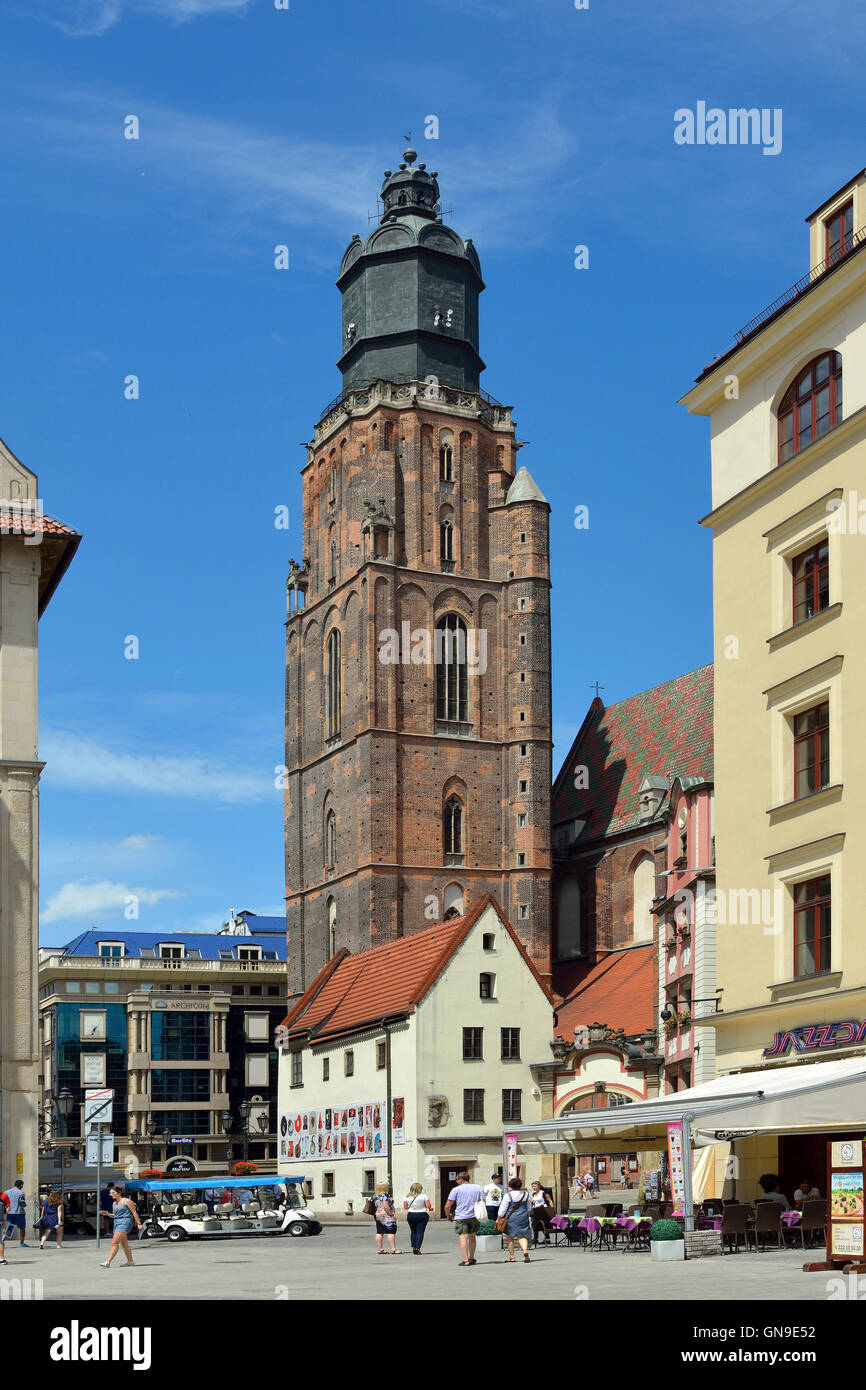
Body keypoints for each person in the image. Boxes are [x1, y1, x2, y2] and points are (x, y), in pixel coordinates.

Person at [444, 1170, 486, 1267]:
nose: (456, 1181)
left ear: (461, 1179)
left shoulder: (456, 1189)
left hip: (461, 1216)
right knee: (472, 1236)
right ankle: (471, 1257)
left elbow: (447, 1206)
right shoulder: (479, 1187)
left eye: (457, 1179)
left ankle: (466, 1260)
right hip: (475, 1216)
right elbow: (483, 1201)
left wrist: (448, 1215)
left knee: (463, 1237)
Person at [99, 1185, 142, 1267]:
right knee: (124, 1244)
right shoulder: (114, 1203)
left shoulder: (127, 1201)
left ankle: (108, 1262)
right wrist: (107, 1214)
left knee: (114, 1242)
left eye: (113, 1193)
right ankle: (130, 1262)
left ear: (119, 1192)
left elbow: (134, 1212)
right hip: (117, 1222)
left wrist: (139, 1224)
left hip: (125, 1222)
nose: (111, 1195)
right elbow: (115, 1215)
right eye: (110, 1193)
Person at [498, 1177, 532, 1264]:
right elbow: (529, 1208)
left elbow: (502, 1210)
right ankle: (525, 1251)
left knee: (510, 1237)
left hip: (511, 1218)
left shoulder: (508, 1195)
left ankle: (512, 1257)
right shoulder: (526, 1194)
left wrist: (499, 1218)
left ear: (510, 1186)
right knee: (522, 1236)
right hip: (523, 1216)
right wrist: (527, 1216)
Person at [372, 1180, 401, 1255]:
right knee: (391, 1232)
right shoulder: (385, 1196)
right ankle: (393, 1249)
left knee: (379, 1232)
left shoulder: (374, 1196)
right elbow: (385, 1205)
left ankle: (380, 1249)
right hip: (387, 1216)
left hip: (378, 1215)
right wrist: (390, 1213)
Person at [402, 1182, 433, 1254]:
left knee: (413, 1231)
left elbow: (405, 1207)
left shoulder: (407, 1197)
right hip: (422, 1214)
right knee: (420, 1232)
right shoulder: (424, 1196)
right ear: (420, 1189)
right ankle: (417, 1248)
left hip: (411, 1215)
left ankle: (413, 1246)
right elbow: (428, 1206)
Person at [529, 1180, 554, 1246]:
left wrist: (552, 1210)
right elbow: (534, 1203)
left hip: (543, 1210)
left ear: (539, 1186)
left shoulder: (543, 1193)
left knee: (537, 1223)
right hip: (536, 1210)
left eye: (535, 1186)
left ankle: (537, 1238)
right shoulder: (534, 1194)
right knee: (535, 1223)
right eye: (532, 1186)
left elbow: (550, 1201)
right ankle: (543, 1238)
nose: (534, 1188)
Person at [3, 1181, 27, 1247]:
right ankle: (22, 1243)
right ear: (21, 1185)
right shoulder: (21, 1192)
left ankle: (2, 1240)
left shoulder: (6, 1192)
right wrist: (25, 1205)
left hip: (9, 1212)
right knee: (22, 1227)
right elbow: (22, 1203)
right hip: (18, 1213)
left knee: (9, 1227)